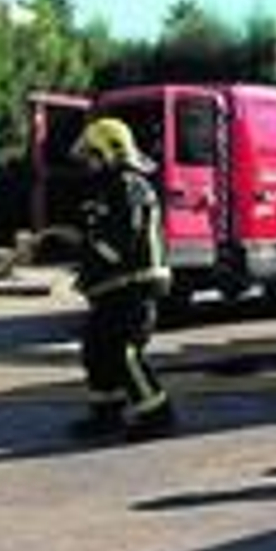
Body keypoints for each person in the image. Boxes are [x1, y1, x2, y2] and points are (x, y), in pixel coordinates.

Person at [67, 117, 175, 441]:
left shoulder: (128, 184)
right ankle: (106, 414)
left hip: (134, 285)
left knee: (123, 352)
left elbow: (119, 241)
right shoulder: (109, 185)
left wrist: (86, 241)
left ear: (109, 151)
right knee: (96, 350)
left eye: (92, 154)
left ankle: (157, 415)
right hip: (114, 287)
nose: (87, 162)